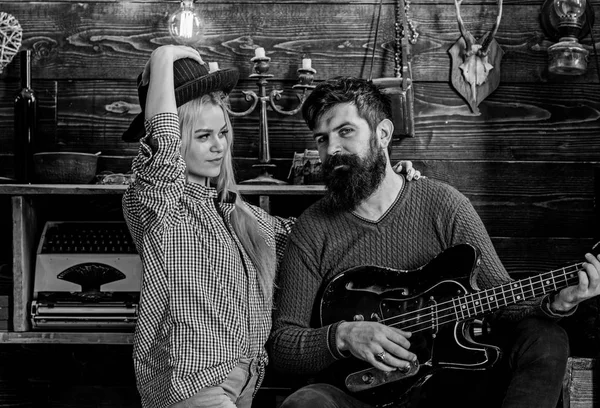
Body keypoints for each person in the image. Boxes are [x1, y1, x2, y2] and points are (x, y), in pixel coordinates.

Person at [267, 76, 600, 408]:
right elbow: (283, 344)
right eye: (322, 139)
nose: (332, 149)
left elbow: (503, 303)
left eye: (345, 131)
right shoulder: (313, 227)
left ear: (382, 133)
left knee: (545, 337)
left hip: (452, 384)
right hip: (358, 395)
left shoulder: (445, 205)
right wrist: (343, 336)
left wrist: (559, 302)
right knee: (307, 401)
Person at [121, 46, 420, 408]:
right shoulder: (159, 206)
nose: (219, 146)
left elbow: (316, 235)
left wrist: (386, 181)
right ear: (177, 138)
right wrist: (163, 56)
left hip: (245, 384)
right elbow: (163, 145)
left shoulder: (241, 215)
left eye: (222, 132)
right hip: (190, 381)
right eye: (203, 136)